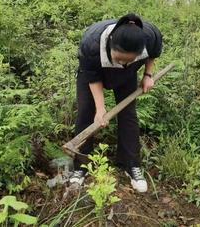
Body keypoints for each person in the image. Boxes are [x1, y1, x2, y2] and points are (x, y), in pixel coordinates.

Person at [69, 13, 163, 193]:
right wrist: (101, 108)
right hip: (92, 74)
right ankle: (81, 166)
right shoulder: (92, 44)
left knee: (128, 114)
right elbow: (93, 79)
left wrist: (148, 75)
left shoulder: (149, 36)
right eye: (119, 59)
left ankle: (130, 164)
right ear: (111, 42)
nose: (122, 63)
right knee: (86, 113)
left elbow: (154, 53)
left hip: (128, 76)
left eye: (128, 59)